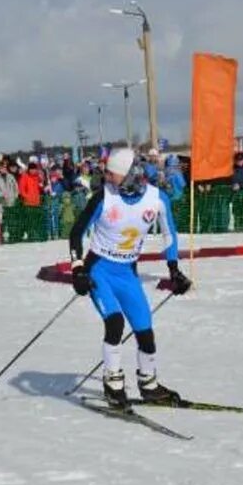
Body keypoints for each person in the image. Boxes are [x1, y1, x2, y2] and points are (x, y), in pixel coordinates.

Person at [69, 148, 191, 409]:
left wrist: (174, 269)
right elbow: (76, 232)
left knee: (145, 330)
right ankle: (113, 383)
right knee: (114, 322)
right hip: (99, 269)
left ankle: (149, 384)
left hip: (126, 273)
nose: (107, 179)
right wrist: (78, 268)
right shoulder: (103, 197)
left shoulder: (157, 199)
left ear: (128, 176)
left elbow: (169, 234)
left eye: (112, 175)